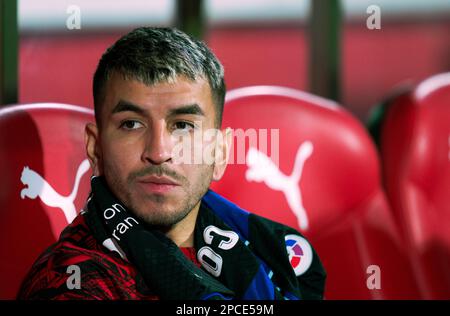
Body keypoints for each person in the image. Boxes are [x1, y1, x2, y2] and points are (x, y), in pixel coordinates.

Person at [18, 27, 326, 300]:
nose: (159, 151)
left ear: (219, 153)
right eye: (131, 124)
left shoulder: (274, 254)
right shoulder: (73, 282)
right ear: (96, 148)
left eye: (183, 125)